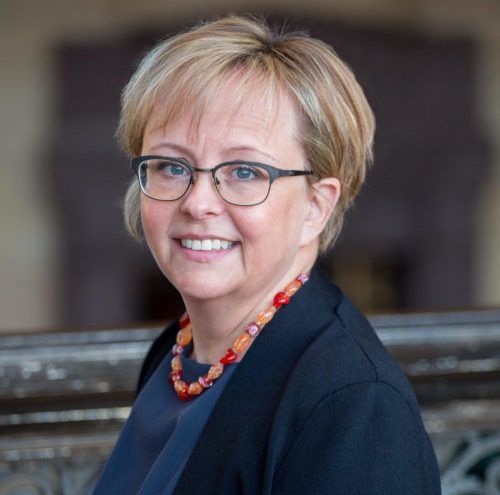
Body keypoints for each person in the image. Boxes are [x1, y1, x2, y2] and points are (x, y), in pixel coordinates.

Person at [93, 15, 441, 494]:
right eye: (172, 166)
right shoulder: (175, 353)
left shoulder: (356, 406)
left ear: (315, 206)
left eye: (244, 172)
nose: (197, 203)